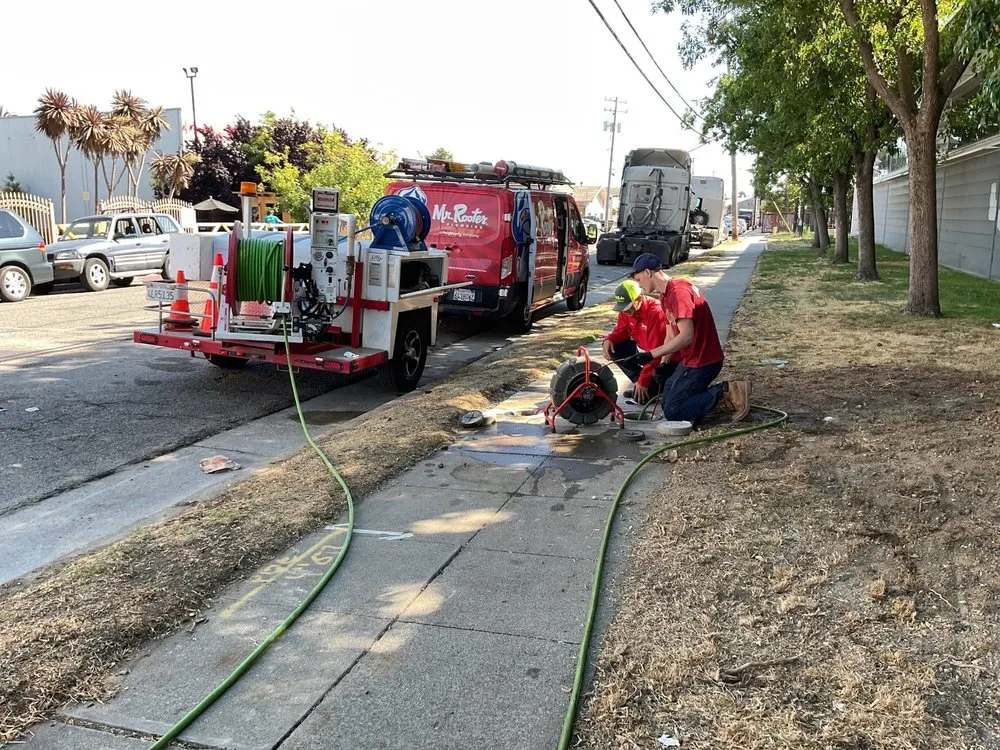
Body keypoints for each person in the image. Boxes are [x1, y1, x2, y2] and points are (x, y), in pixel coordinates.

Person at [630, 252, 751, 423]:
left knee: (674, 411)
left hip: (703, 362)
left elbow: (686, 336)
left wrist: (651, 354)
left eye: (638, 279)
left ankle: (727, 392)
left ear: (648, 272)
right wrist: (663, 364)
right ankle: (705, 402)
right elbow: (671, 334)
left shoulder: (679, 293)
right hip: (690, 360)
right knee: (666, 403)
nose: (639, 284)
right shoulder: (665, 296)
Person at [602, 279, 677, 404]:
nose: (626, 312)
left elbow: (657, 353)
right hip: (645, 354)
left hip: (665, 361)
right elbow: (621, 330)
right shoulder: (625, 312)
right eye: (623, 308)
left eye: (628, 307)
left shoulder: (655, 313)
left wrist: (644, 379)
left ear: (639, 299)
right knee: (613, 348)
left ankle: (656, 387)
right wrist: (609, 339)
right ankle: (639, 384)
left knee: (642, 399)